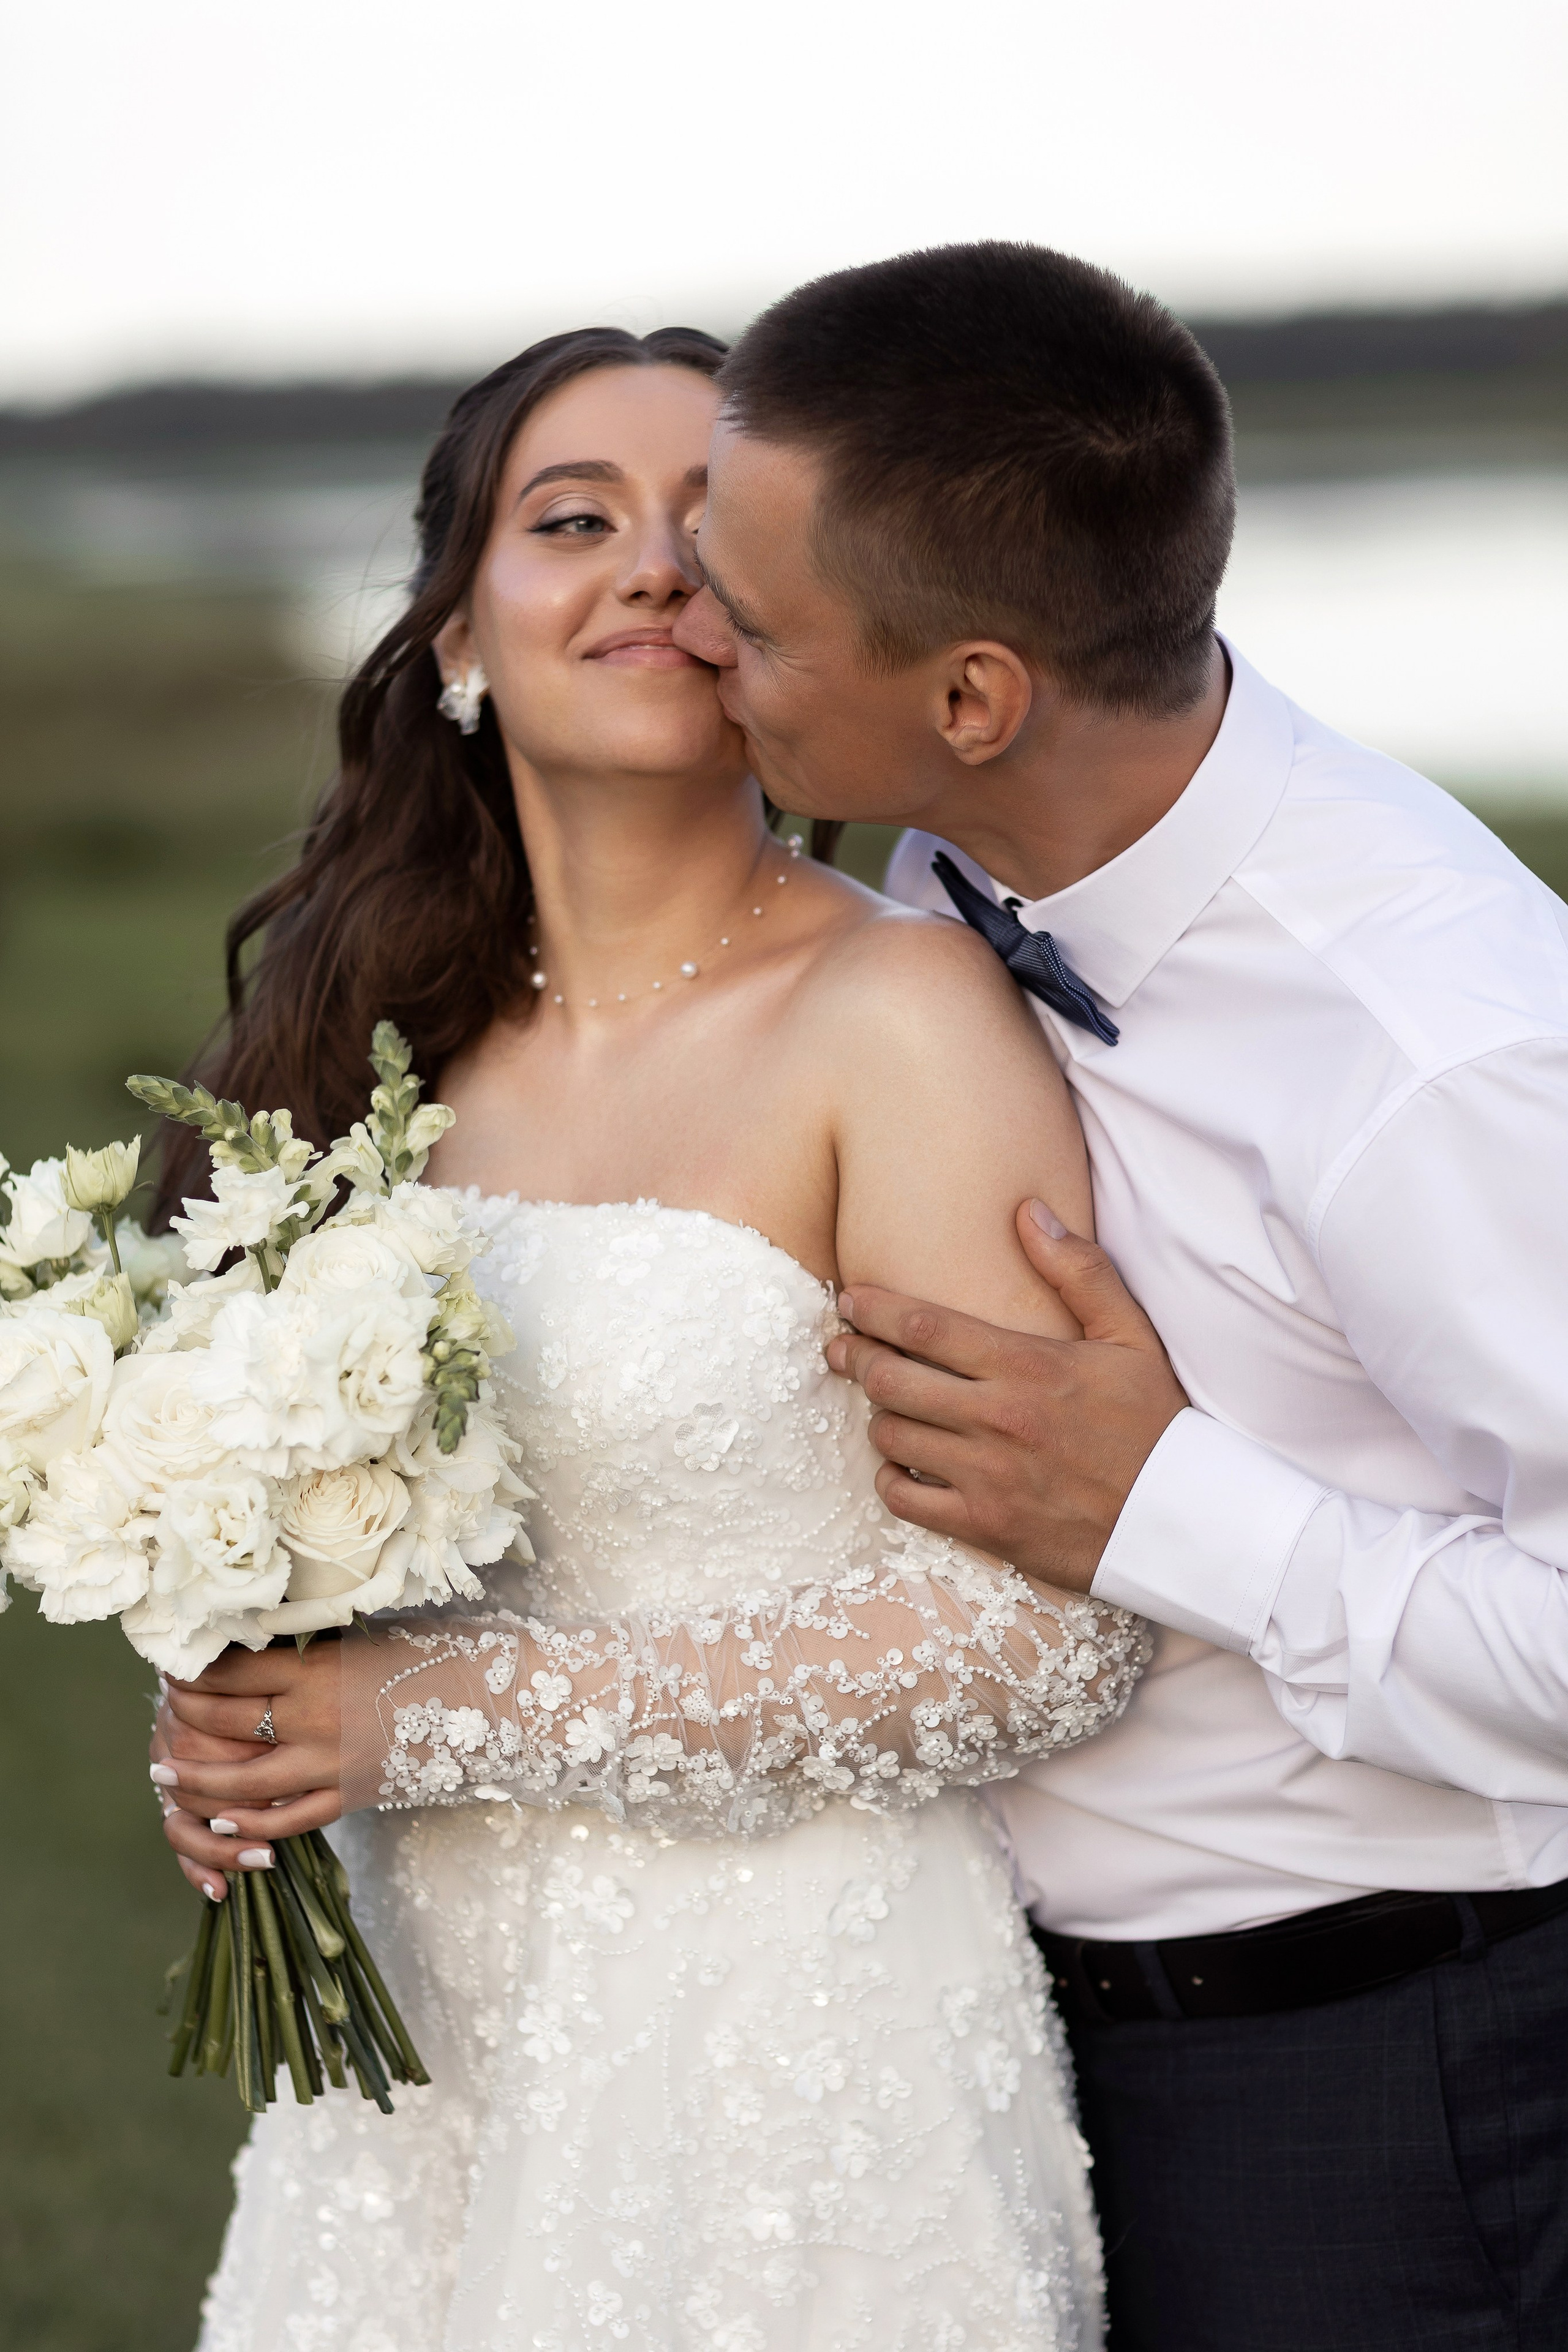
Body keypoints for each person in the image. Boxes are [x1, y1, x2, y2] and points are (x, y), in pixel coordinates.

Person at [148, 325, 1147, 2351]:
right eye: (572, 521)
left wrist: (440, 1715)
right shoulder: (375, 1048)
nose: (653, 569)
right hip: (425, 2062)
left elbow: (1046, 1637)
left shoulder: (902, 1017)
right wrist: (235, 1706)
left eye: (714, 528)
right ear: (457, 629)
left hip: (785, 2055)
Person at [669, 240, 1568, 2352]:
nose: (694, 636)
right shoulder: (957, 847)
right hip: (991, 2037)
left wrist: (1173, 1506)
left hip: (1392, 2072)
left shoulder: (1438, 1047)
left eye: (751, 618)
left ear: (973, 696)